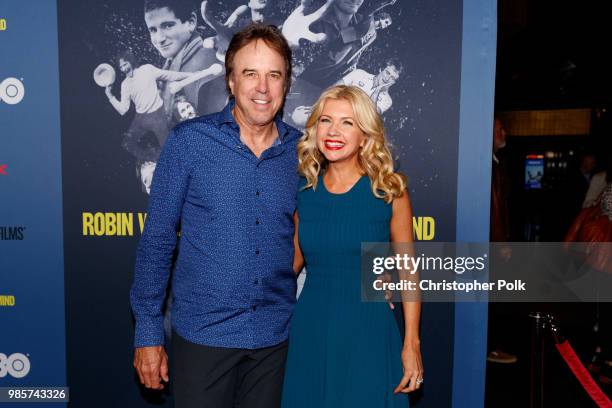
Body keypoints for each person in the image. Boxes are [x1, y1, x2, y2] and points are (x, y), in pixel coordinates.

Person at [130, 23, 301, 408]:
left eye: (274, 74)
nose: (263, 88)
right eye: (250, 74)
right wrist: (148, 332)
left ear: (286, 82)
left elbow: (333, 226)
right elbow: (157, 240)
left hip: (276, 342)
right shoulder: (189, 142)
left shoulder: (302, 153)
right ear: (230, 81)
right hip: (203, 339)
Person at [281, 85, 423, 407]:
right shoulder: (304, 191)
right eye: (326, 120)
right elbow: (289, 267)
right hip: (311, 330)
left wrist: (411, 342)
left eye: (347, 123)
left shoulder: (388, 191)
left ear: (365, 134)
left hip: (368, 331)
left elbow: (408, 273)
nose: (333, 131)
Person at [144, 0, 227, 124]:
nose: (159, 39)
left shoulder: (208, 60)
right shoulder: (170, 68)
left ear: (191, 22)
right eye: (153, 30)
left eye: (167, 26)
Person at [104, 50, 191, 161]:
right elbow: (123, 110)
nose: (123, 68)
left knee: (172, 151)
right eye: (121, 67)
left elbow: (170, 75)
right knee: (127, 143)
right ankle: (155, 159)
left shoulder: (147, 69)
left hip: (157, 116)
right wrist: (110, 96)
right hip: (140, 118)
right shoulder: (125, 85)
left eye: (125, 64)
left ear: (131, 61)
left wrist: (191, 75)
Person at [487, 117, 518, 364]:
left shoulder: (497, 163)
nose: (504, 132)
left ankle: (492, 347)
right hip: (492, 246)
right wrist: (501, 243)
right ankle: (491, 349)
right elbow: (494, 209)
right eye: (500, 129)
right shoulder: (488, 166)